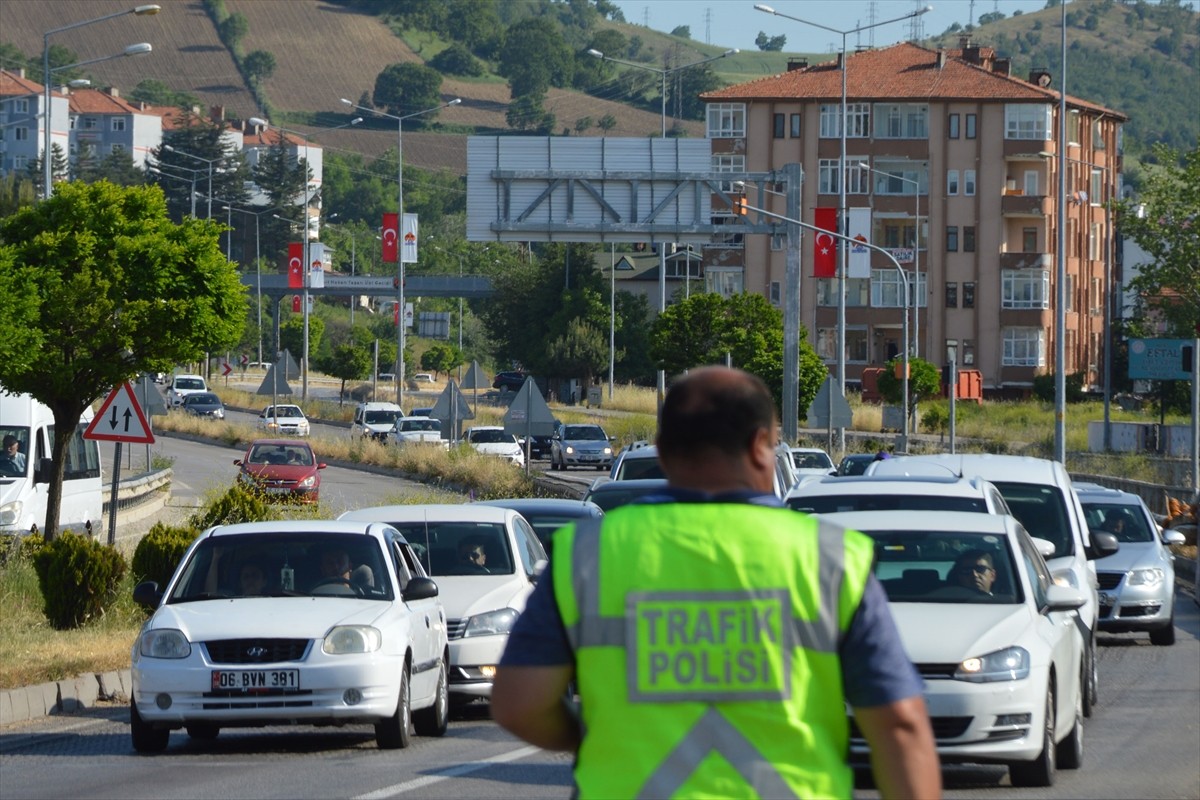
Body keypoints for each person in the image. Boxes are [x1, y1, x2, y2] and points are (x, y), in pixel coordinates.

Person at [492, 366, 940, 799]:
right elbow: (899, 726)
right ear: (763, 444)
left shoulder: (586, 555)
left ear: (663, 449)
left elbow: (519, 704)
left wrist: (590, 738)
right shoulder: (829, 559)